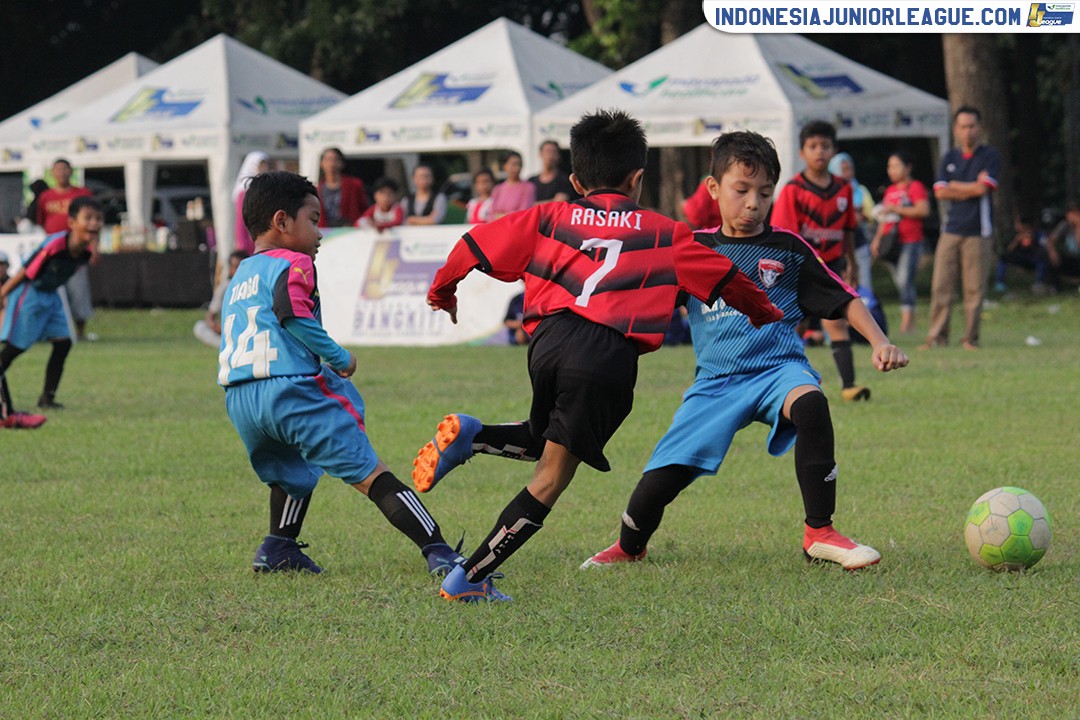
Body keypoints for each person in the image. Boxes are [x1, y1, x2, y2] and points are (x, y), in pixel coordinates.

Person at [411, 110, 783, 603]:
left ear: (574, 180)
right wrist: (767, 314)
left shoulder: (548, 216)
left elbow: (473, 244)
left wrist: (443, 293)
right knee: (551, 478)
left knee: (549, 441)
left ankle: (473, 436)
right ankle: (470, 579)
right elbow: (730, 282)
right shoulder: (665, 233)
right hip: (605, 354)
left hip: (546, 343)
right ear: (638, 179)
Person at [580, 131, 908, 573]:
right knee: (664, 475)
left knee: (812, 404)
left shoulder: (788, 249)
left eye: (765, 193)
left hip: (780, 370)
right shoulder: (691, 248)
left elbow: (843, 297)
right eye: (741, 190)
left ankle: (820, 533)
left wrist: (880, 341)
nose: (753, 202)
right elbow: (638, 301)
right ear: (714, 189)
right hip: (716, 383)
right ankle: (629, 545)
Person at [217, 171, 466, 577]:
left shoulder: (240, 275)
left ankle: (278, 546)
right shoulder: (294, 262)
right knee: (370, 472)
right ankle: (440, 551)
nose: (319, 232)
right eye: (313, 220)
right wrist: (337, 355)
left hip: (242, 397)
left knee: (291, 470)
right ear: (282, 222)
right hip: (291, 390)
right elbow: (292, 312)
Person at [771, 120, 868, 402]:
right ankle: (778, 380)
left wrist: (852, 262)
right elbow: (785, 235)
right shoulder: (793, 190)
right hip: (799, 269)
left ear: (834, 151)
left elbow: (848, 229)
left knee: (837, 322)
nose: (819, 152)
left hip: (833, 266)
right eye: (813, 146)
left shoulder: (843, 189)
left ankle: (849, 386)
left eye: (825, 146)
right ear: (802, 152)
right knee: (792, 325)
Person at [0, 196, 102, 427]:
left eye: (98, 219)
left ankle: (47, 398)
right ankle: (6, 407)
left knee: (63, 342)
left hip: (52, 296)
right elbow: (26, 272)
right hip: (30, 294)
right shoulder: (55, 244)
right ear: (72, 222)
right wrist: (3, 293)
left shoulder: (86, 251)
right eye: (88, 218)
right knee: (13, 350)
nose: (94, 223)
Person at [922, 107, 1002, 351]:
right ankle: (937, 337)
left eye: (972, 126)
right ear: (955, 130)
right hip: (951, 229)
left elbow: (984, 189)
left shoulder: (990, 155)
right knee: (941, 286)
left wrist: (956, 186)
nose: (968, 132)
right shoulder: (949, 158)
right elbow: (940, 191)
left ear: (979, 128)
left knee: (974, 289)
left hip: (979, 231)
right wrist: (968, 186)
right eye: (963, 127)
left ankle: (970, 338)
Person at [36, 159, 96, 342]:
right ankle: (52, 331)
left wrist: (94, 247)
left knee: (78, 290)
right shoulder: (45, 197)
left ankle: (80, 332)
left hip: (76, 248)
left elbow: (94, 221)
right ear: (52, 173)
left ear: (71, 171)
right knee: (51, 289)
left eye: (65, 169)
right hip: (53, 250)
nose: (61, 173)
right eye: (58, 170)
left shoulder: (82, 193)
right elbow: (41, 221)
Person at [871, 151, 930, 334]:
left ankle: (907, 323)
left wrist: (897, 209)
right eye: (890, 166)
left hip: (910, 240)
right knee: (901, 281)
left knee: (905, 280)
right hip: (891, 243)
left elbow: (923, 210)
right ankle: (909, 318)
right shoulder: (890, 191)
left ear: (908, 167)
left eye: (896, 165)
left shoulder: (915, 187)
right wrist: (877, 239)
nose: (892, 170)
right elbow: (885, 219)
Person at [829, 152, 876, 299]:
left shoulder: (860, 190)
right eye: (844, 169)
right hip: (835, 249)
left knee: (864, 287)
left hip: (858, 243)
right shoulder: (830, 192)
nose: (848, 173)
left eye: (850, 169)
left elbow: (871, 213)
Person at [193, 250, 250, 347]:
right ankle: (226, 346)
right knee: (200, 327)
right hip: (229, 330)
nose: (237, 270)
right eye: (235, 267)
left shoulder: (253, 284)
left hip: (249, 328)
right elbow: (210, 316)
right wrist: (216, 327)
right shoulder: (225, 287)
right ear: (230, 268)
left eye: (240, 267)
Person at [994, 214, 1050, 295]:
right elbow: (1009, 250)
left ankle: (1039, 282)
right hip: (1021, 257)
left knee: (1042, 258)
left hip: (1033, 257)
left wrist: (1033, 240)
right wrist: (1017, 240)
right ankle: (1000, 283)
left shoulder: (1038, 234)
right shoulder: (1017, 235)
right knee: (1004, 257)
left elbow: (1044, 246)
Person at [316, 147, 369, 228]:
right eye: (327, 160)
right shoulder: (317, 188)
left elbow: (365, 210)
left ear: (341, 163)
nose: (331, 164)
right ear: (321, 163)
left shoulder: (354, 185)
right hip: (325, 233)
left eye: (335, 160)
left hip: (349, 232)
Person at [232, 151, 269, 254]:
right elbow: (241, 221)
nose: (264, 169)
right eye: (261, 166)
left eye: (265, 165)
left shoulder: (264, 190)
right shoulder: (243, 192)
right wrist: (242, 246)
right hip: (248, 244)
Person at [489, 151, 536, 218]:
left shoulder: (528, 187)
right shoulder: (498, 189)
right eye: (513, 164)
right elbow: (491, 214)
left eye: (519, 164)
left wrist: (502, 216)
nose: (517, 168)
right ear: (505, 166)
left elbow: (523, 213)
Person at [1046, 202, 1080, 290]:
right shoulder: (1065, 225)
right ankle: (1054, 286)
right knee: (1050, 257)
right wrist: (1052, 252)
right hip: (1072, 259)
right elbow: (1050, 241)